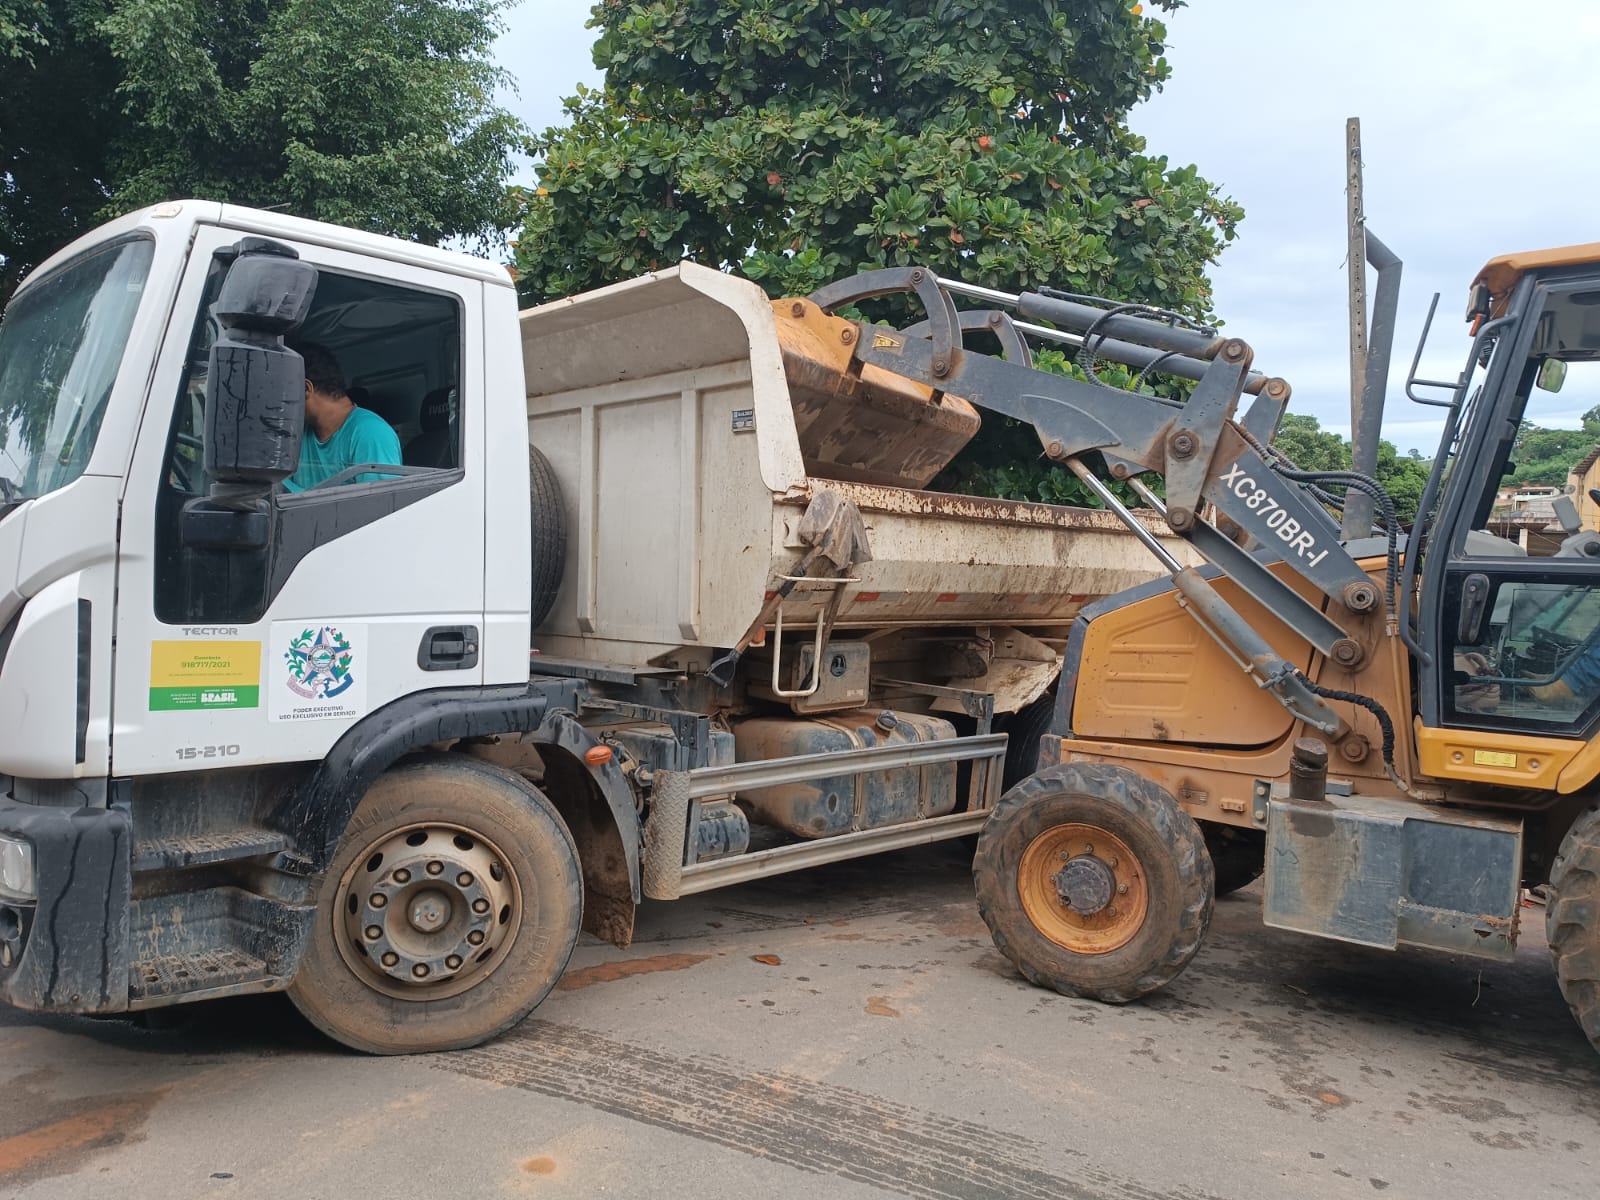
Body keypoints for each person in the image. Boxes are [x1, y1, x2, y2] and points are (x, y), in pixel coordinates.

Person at [283, 343, 401, 492]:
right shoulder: (296, 434)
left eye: (283, 393)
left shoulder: (370, 434)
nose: (280, 404)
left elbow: (382, 506)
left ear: (306, 389)